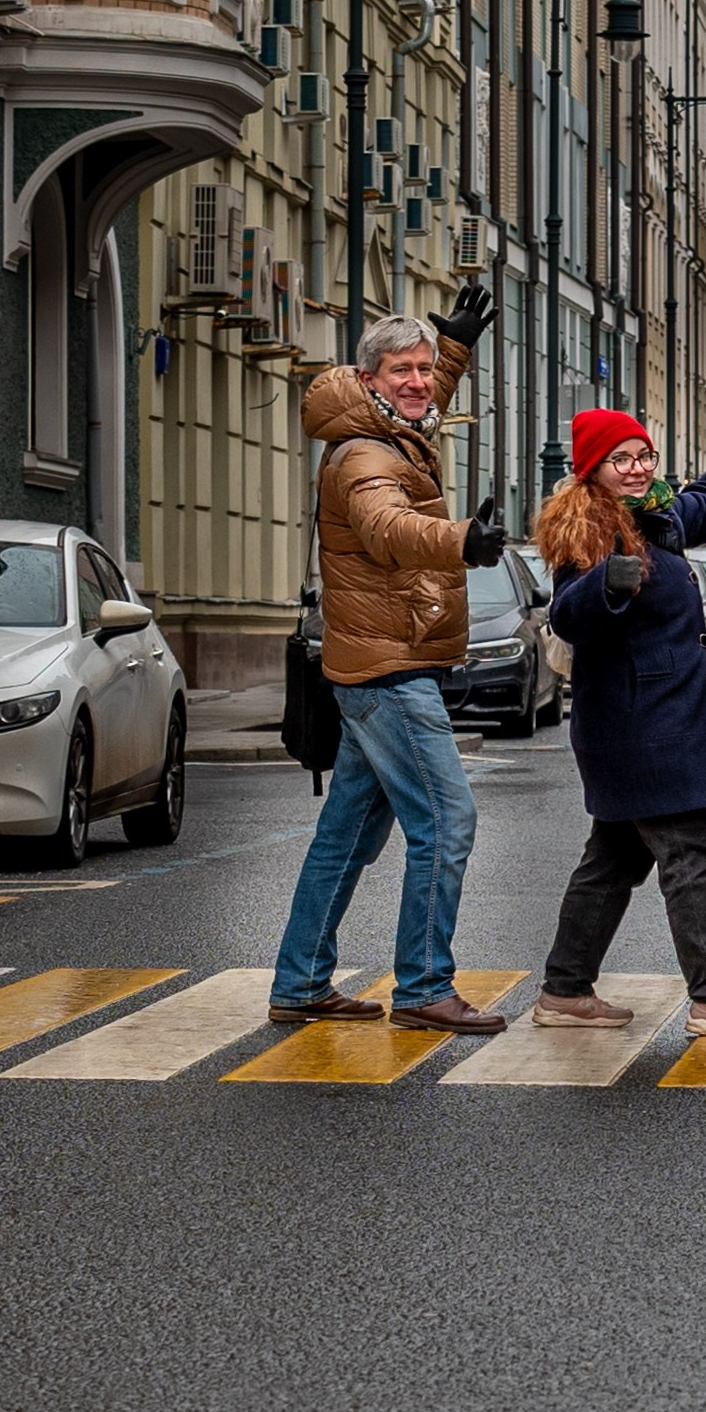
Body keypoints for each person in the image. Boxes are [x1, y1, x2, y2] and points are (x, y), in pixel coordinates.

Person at [269, 288, 507, 1034]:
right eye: (400, 370)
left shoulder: (381, 424)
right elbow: (386, 523)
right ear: (368, 379)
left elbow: (425, 395)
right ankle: (424, 987)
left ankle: (302, 981)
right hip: (389, 670)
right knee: (446, 820)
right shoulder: (366, 454)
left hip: (376, 661)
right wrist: (461, 538)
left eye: (423, 367)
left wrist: (455, 350)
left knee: (344, 836)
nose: (416, 380)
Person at [530, 401, 706, 1036]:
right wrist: (606, 586)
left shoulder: (652, 518)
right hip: (642, 723)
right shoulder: (590, 529)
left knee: (614, 858)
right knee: (690, 853)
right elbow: (566, 615)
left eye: (644, 455)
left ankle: (565, 990)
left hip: (651, 718)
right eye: (623, 460)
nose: (639, 468)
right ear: (594, 470)